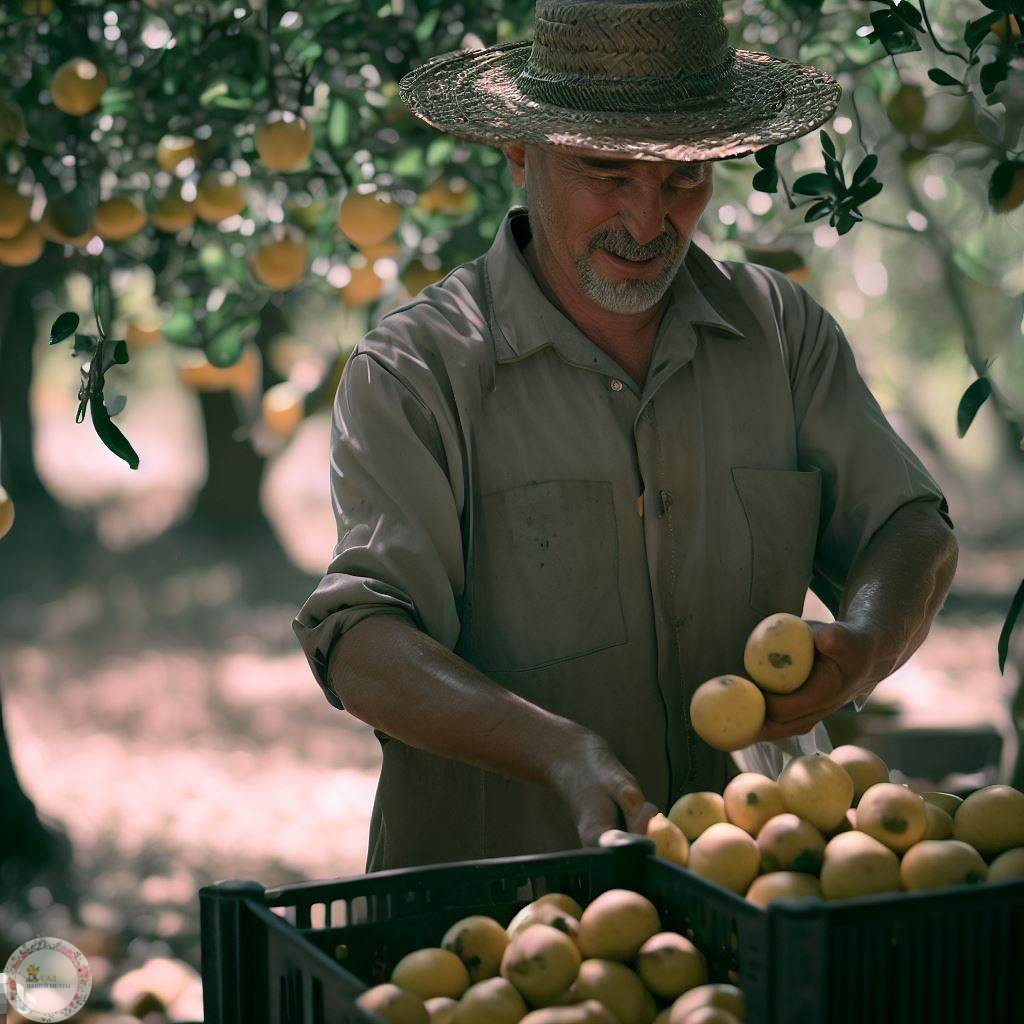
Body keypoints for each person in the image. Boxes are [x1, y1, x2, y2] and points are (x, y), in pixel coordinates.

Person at [293, 0, 958, 872]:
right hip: (502, 931)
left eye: (682, 178)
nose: (648, 222)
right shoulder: (417, 372)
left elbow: (908, 527)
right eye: (607, 170)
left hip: (758, 886)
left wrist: (866, 647)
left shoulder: (781, 334)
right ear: (521, 149)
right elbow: (363, 642)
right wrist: (555, 750)